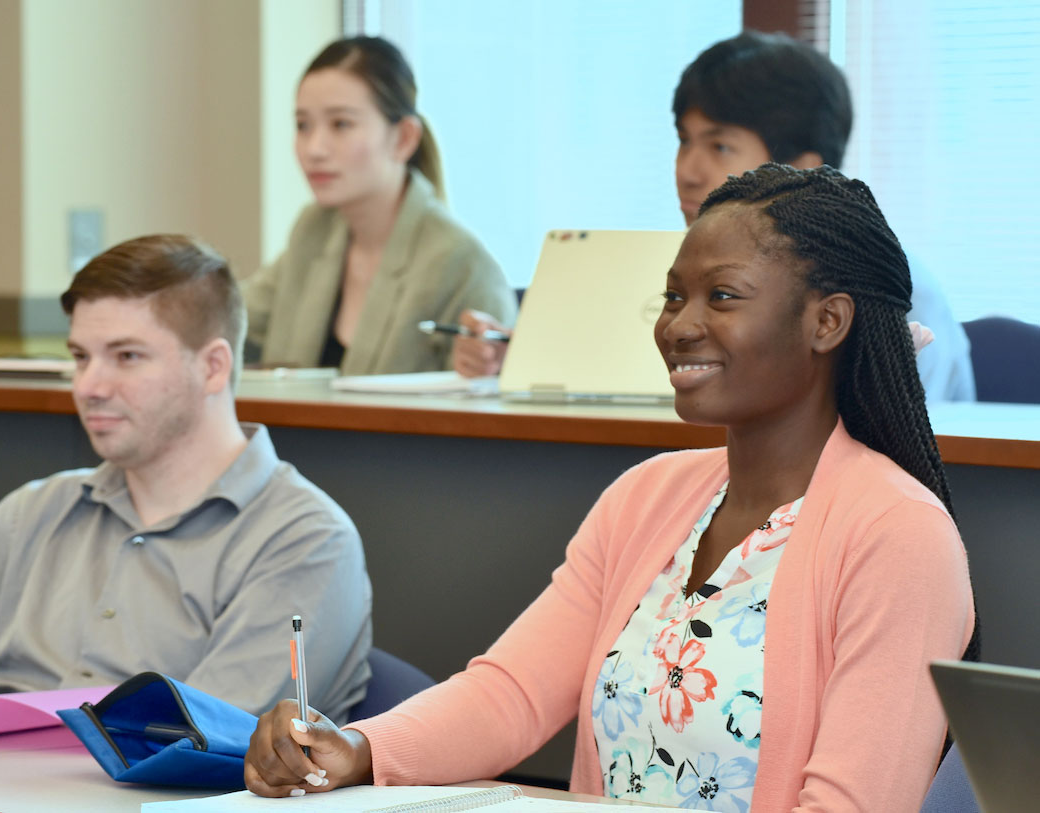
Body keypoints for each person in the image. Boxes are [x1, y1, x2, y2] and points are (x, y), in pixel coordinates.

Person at [243, 164, 975, 811]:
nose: (679, 326)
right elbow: (512, 693)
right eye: (672, 297)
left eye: (721, 296)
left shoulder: (899, 532)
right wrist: (358, 747)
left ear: (827, 321)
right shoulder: (646, 496)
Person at [0, 235, 372, 720]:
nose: (89, 386)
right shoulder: (33, 512)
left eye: (127, 356)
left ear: (213, 367)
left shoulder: (303, 540)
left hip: (146, 795)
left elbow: (210, 748)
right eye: (80, 357)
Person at [454, 31, 976, 404]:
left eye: (720, 145)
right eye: (684, 141)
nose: (687, 170)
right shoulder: (677, 280)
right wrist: (511, 364)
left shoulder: (896, 290)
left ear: (803, 169)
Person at [242, 36, 518, 374]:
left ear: (403, 139)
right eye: (303, 126)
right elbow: (232, 328)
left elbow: (491, 401)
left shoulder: (461, 264)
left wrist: (485, 365)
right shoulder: (314, 229)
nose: (314, 148)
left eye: (340, 124)